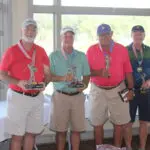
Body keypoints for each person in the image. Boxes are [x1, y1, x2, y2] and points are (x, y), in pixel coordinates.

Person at [0, 18, 72, 150]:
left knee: (31, 134)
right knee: (17, 136)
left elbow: (47, 74)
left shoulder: (40, 51)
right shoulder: (12, 51)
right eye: (27, 28)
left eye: (33, 29)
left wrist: (45, 82)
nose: (30, 32)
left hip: (37, 97)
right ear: (21, 30)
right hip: (18, 97)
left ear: (36, 32)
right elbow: (2, 74)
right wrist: (18, 82)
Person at [86, 24, 134, 150]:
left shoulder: (122, 49)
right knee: (97, 123)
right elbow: (86, 71)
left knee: (119, 123)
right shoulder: (91, 50)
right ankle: (99, 147)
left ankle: (117, 147)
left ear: (111, 34)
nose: (104, 37)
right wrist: (99, 73)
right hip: (97, 89)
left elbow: (128, 71)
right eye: (101, 35)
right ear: (98, 36)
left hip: (119, 88)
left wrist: (131, 89)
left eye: (107, 34)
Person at [49, 26, 90, 150]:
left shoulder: (81, 56)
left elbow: (87, 74)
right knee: (60, 131)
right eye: (65, 36)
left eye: (71, 36)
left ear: (73, 38)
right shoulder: (54, 56)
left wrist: (84, 85)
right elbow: (48, 77)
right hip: (60, 97)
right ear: (61, 38)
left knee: (76, 130)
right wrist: (63, 78)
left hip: (77, 97)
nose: (68, 38)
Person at [125, 25, 150, 150]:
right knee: (128, 122)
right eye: (135, 33)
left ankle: (142, 147)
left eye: (140, 33)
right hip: (130, 91)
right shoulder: (125, 51)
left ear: (144, 35)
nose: (138, 36)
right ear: (131, 35)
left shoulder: (149, 50)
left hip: (146, 91)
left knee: (144, 122)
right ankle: (129, 147)